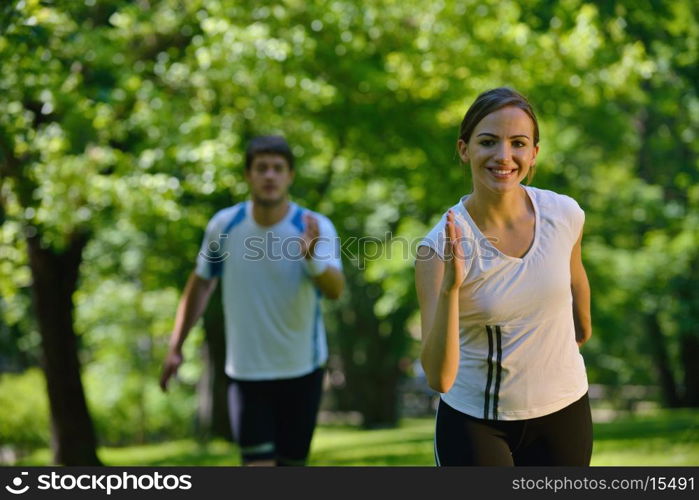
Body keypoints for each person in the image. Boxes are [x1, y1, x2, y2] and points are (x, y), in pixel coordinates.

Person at [414, 87, 593, 466]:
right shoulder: (438, 248)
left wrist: (576, 334)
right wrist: (451, 288)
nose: (504, 156)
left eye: (518, 143)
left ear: (534, 153)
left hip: (564, 411)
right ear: (464, 150)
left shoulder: (565, 214)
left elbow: (576, 283)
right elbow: (438, 378)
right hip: (477, 424)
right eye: (488, 142)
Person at [160, 135, 345, 466]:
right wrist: (176, 346)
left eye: (278, 168)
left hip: (302, 370)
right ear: (248, 175)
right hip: (246, 374)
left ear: (290, 175)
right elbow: (201, 285)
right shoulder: (224, 226)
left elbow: (334, 290)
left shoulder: (314, 227)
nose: (269, 176)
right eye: (261, 168)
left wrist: (313, 258)